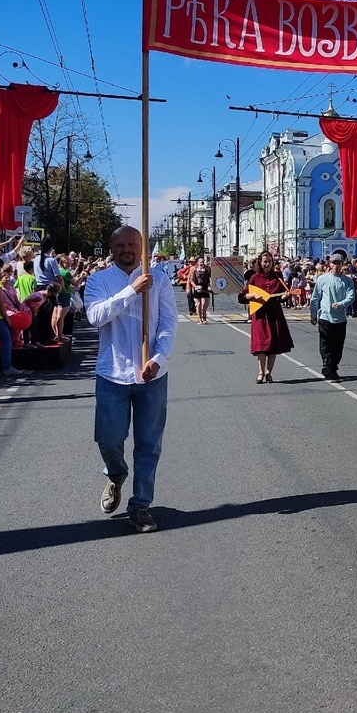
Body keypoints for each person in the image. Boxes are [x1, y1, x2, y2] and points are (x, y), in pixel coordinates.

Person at [85, 226, 177, 533]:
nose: (127, 249)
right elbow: (96, 317)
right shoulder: (99, 280)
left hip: (151, 375)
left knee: (149, 444)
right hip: (112, 373)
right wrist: (132, 291)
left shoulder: (160, 279)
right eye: (121, 244)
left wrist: (158, 358)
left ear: (141, 247)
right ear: (112, 248)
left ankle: (141, 505)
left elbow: (167, 325)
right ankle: (116, 474)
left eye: (132, 244)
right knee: (108, 439)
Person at [239, 252, 293, 383]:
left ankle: (269, 372)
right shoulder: (255, 278)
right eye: (264, 261)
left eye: (269, 261)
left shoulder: (278, 277)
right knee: (262, 345)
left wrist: (285, 297)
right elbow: (242, 296)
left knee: (273, 344)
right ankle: (261, 372)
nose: (267, 264)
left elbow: (281, 297)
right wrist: (252, 296)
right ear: (260, 262)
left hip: (274, 314)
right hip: (260, 315)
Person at [310, 254, 354, 380]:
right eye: (334, 263)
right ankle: (327, 364)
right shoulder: (322, 279)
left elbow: (351, 297)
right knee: (325, 344)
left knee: (338, 346)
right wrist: (313, 314)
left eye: (339, 263)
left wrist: (341, 304)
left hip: (340, 319)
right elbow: (315, 298)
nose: (336, 265)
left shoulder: (347, 281)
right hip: (325, 317)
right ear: (330, 264)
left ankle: (333, 367)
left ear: (342, 264)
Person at [189, 257, 212, 324]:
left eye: (202, 262)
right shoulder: (194, 270)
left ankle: (204, 318)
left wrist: (209, 286)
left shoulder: (207, 270)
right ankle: (200, 319)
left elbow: (210, 278)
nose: (201, 263)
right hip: (197, 287)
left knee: (204, 303)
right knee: (198, 304)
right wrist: (195, 287)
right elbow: (191, 280)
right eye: (200, 262)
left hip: (204, 287)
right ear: (197, 263)